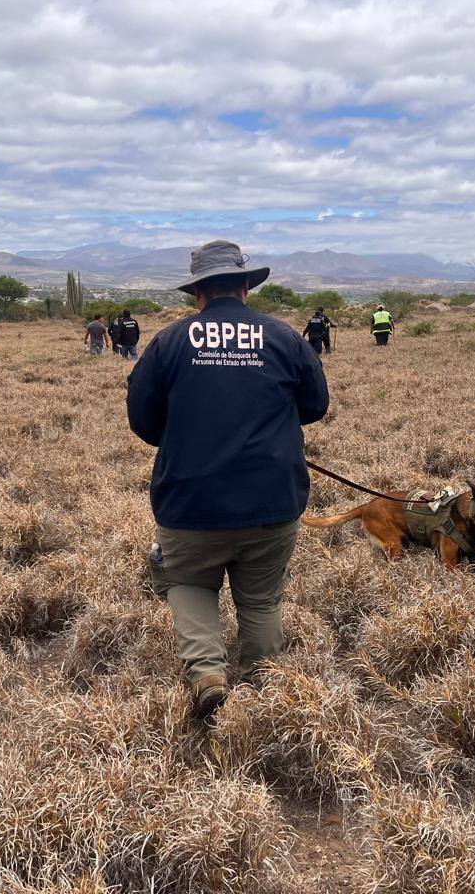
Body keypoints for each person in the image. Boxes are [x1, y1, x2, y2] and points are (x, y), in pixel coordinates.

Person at [126, 240, 329, 719]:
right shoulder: (284, 337)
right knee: (260, 598)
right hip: (272, 498)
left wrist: (186, 435)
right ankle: (262, 687)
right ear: (244, 286)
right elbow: (315, 407)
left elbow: (143, 420)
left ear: (197, 291)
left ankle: (208, 677)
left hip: (189, 500)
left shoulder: (170, 343)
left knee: (189, 583)